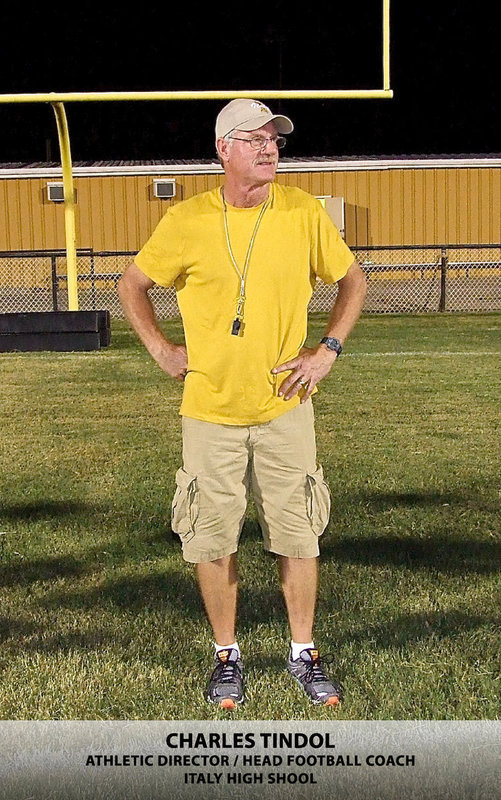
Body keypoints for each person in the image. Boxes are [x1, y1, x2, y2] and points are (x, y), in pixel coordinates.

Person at [118, 98, 366, 710]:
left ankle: (303, 652)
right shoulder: (187, 220)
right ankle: (227, 655)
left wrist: (328, 348)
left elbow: (352, 279)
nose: (268, 148)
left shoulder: (303, 212)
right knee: (212, 539)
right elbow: (133, 284)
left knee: (299, 534)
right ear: (222, 150)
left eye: (274, 139)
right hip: (209, 411)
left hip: (286, 407)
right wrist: (161, 349)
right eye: (253, 139)